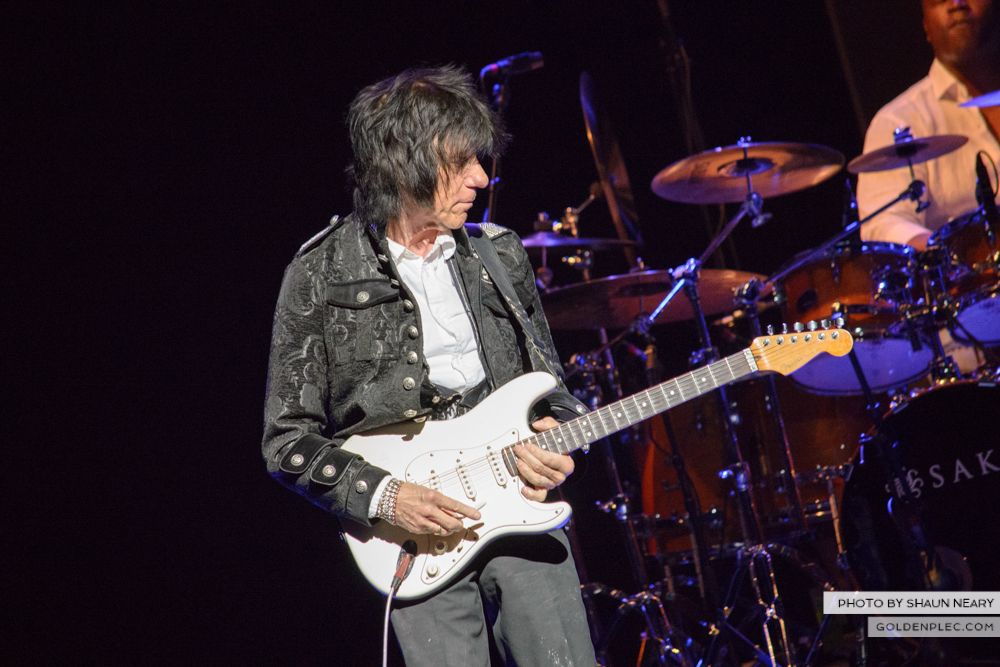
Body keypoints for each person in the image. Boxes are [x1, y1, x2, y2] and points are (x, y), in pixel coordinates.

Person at [261, 65, 596, 666]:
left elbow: (552, 388)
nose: (481, 177)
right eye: (462, 161)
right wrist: (385, 497)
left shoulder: (497, 253)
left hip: (519, 505)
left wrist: (557, 433)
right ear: (405, 160)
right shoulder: (318, 274)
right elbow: (286, 443)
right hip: (413, 534)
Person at [858, 0, 1000, 250]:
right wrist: (952, 255)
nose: (957, 4)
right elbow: (883, 225)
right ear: (926, 27)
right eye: (939, 0)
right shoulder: (900, 120)